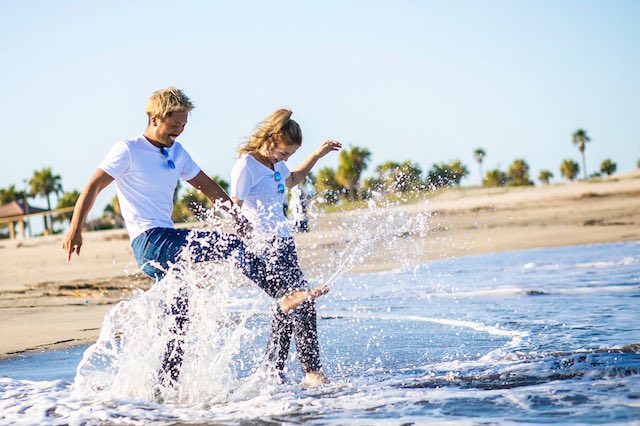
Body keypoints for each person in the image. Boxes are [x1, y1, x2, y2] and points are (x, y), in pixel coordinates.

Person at [62, 87, 327, 388]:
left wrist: (237, 217)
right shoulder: (128, 149)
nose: (179, 131)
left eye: (184, 125)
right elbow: (94, 186)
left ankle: (164, 390)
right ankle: (283, 295)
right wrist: (76, 227)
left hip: (168, 240)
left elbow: (206, 185)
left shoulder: (176, 153)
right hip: (151, 241)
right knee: (232, 246)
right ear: (154, 118)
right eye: (175, 125)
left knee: (180, 317)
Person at [230, 108, 341, 386]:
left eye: (289, 155)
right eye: (283, 153)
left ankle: (272, 369)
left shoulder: (274, 164)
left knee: (288, 304)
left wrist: (317, 155)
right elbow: (234, 207)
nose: (285, 159)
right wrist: (247, 234)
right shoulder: (247, 165)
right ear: (269, 141)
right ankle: (312, 373)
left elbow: (292, 179)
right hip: (265, 246)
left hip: (284, 242)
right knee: (302, 300)